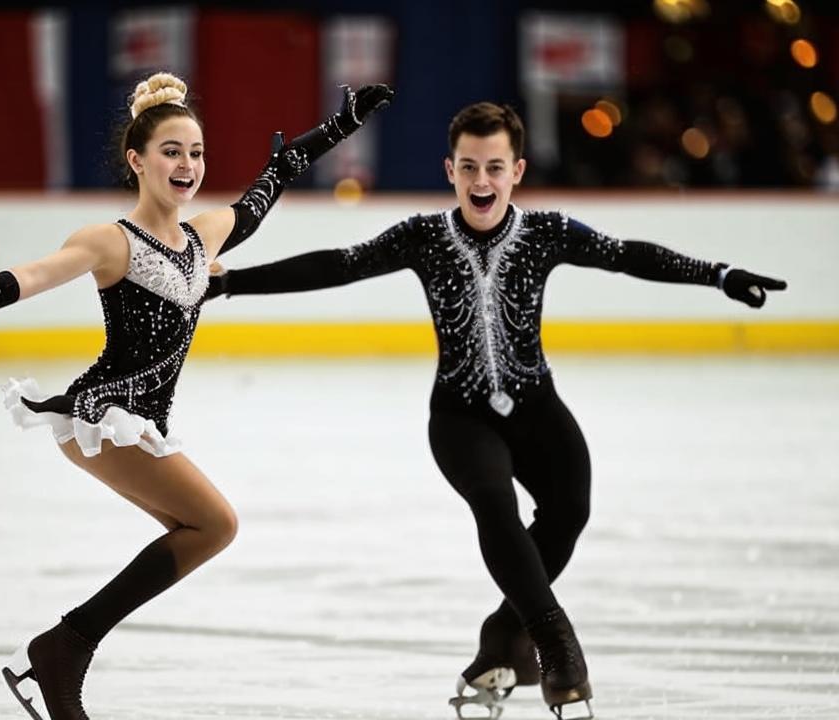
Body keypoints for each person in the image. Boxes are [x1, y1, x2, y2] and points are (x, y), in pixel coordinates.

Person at [205, 101, 787, 720]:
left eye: (495, 168)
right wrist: (234, 281)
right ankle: (557, 645)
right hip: (460, 416)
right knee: (496, 505)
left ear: (518, 171)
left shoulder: (547, 233)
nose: (482, 182)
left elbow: (626, 254)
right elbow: (339, 265)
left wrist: (717, 274)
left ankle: (498, 637)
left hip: (536, 406)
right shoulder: (423, 238)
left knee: (569, 512)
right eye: (469, 167)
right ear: (449, 170)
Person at [0, 72, 393, 720]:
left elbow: (270, 185)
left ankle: (65, 648)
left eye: (196, 153)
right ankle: (65, 647)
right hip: (106, 415)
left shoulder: (203, 236)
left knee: (200, 530)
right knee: (215, 524)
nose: (186, 165)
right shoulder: (112, 242)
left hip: (140, 423)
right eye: (171, 151)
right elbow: (28, 278)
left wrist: (338, 127)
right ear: (137, 160)